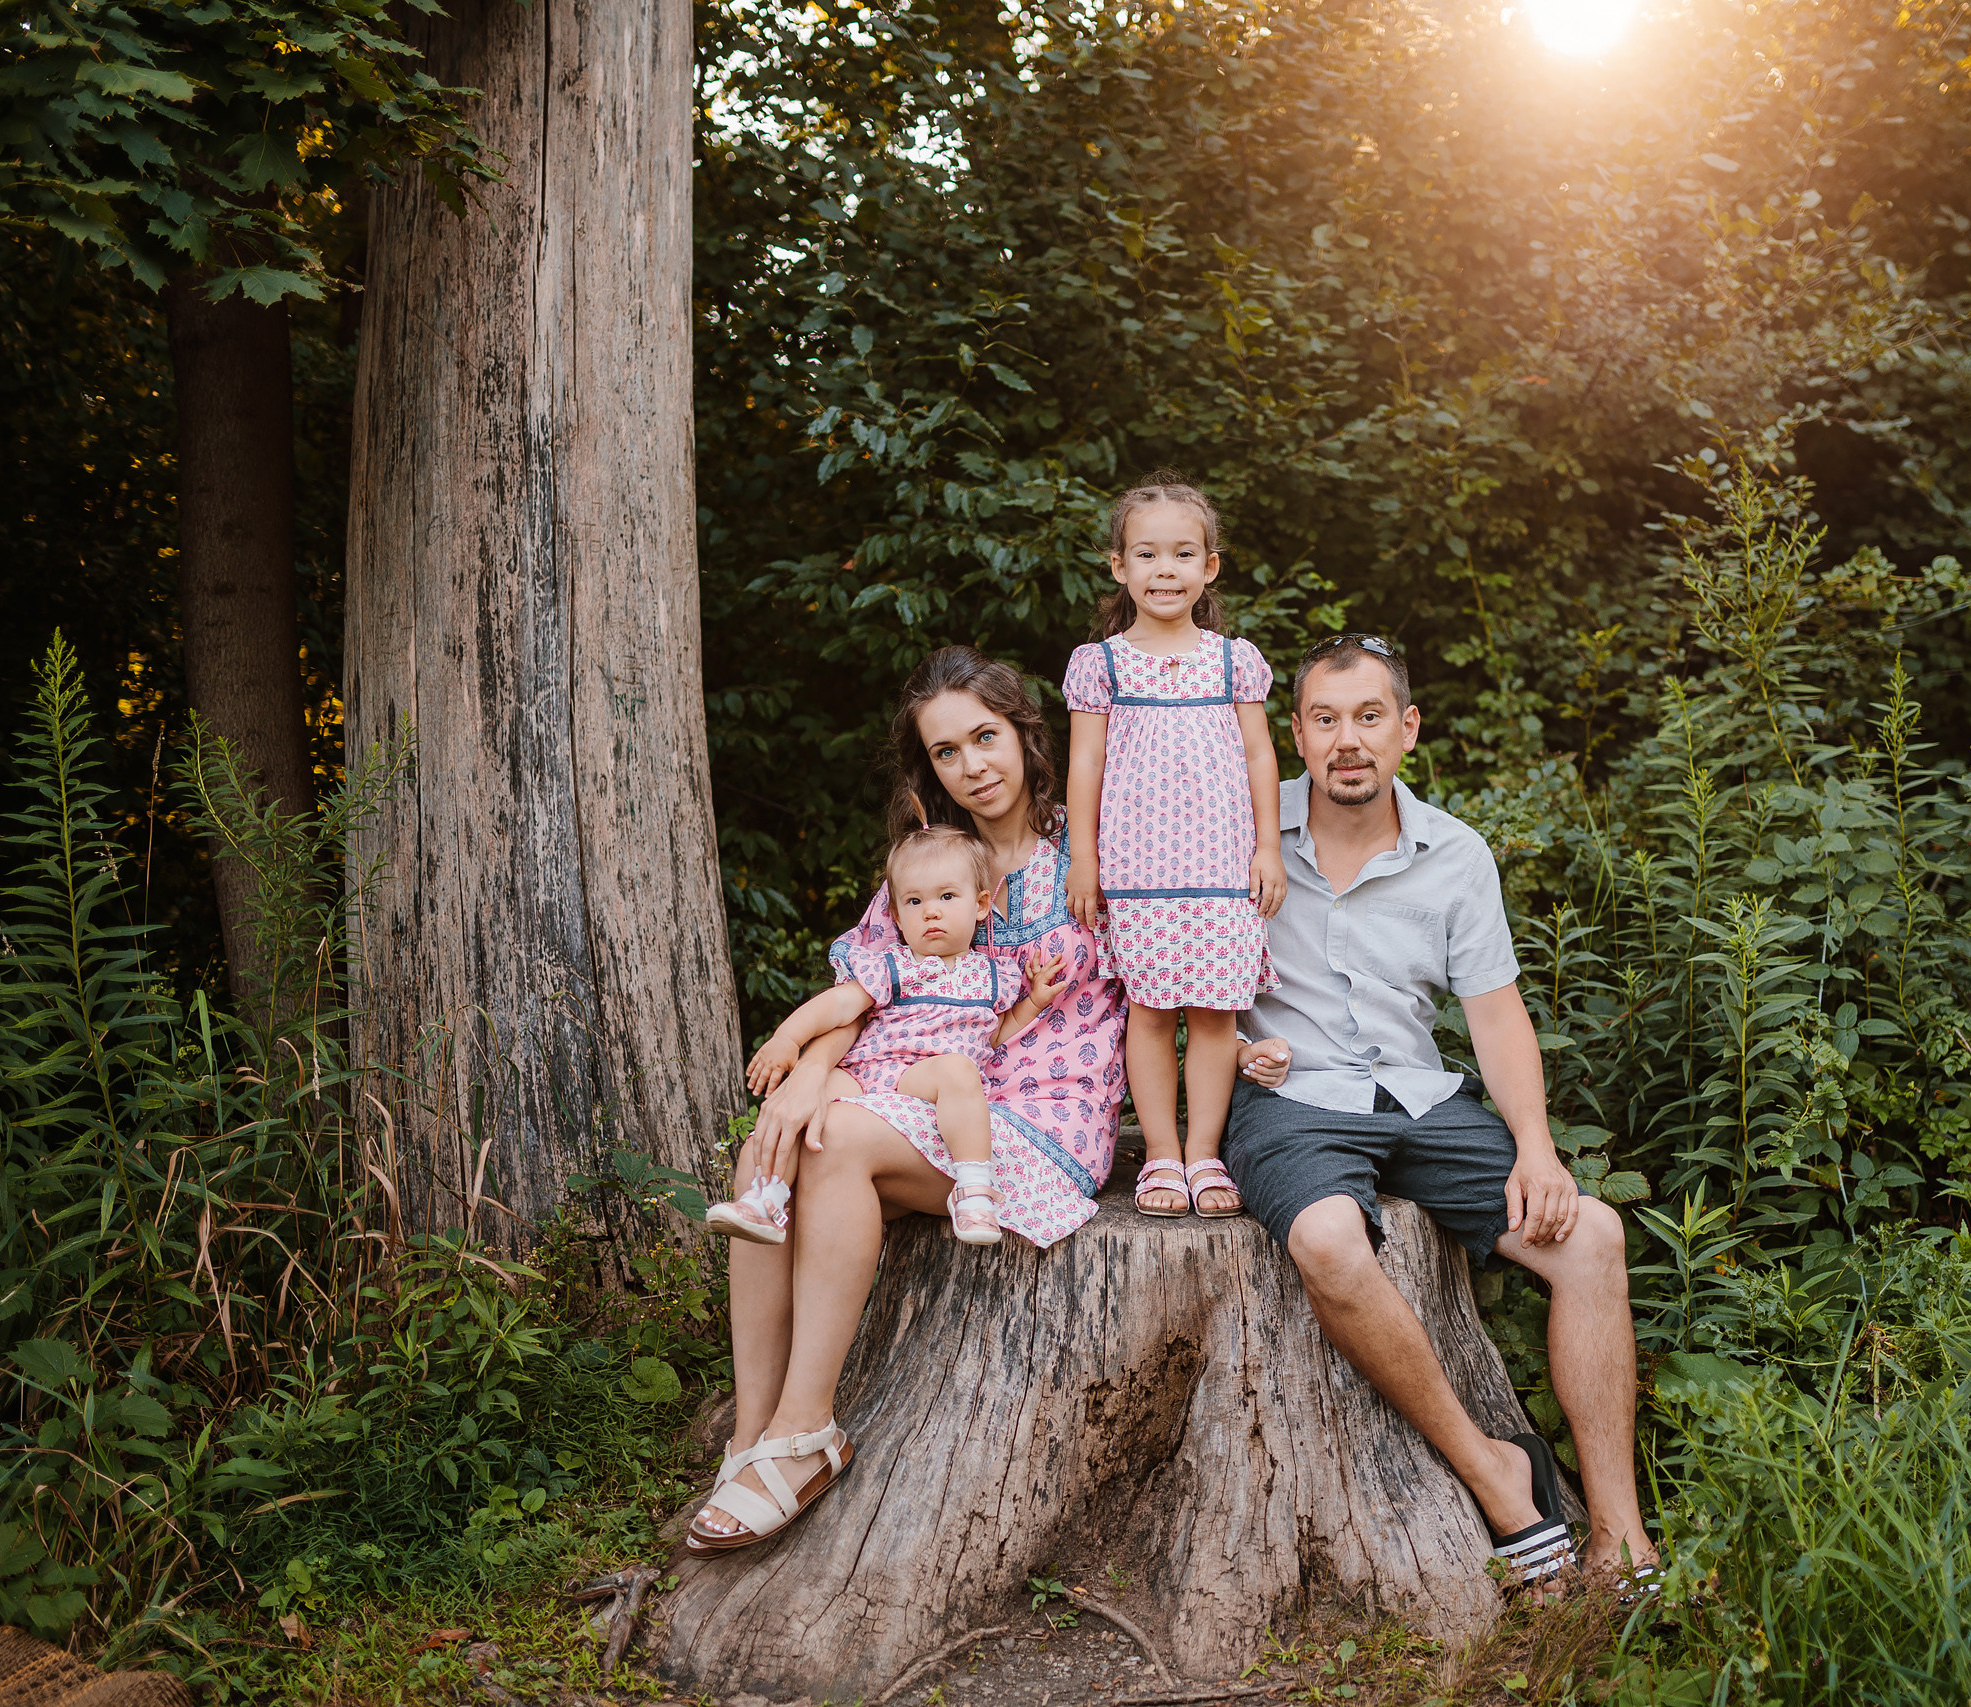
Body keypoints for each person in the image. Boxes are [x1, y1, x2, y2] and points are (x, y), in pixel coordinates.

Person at [1224, 633, 1661, 1602]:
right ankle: (1494, 1471)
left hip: (1417, 1096)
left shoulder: (1456, 855)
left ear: (1407, 730)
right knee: (1331, 1243)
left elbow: (1495, 1016)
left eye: (1369, 717)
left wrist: (1537, 1147)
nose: (1348, 741)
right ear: (1294, 733)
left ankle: (1620, 1543)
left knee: (1589, 1237)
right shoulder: (1244, 835)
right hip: (1289, 1101)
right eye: (1326, 719)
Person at [686, 647, 1125, 1553]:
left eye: (987, 736)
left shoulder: (1088, 852)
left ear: (1024, 732)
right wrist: (810, 1071)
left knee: (837, 1139)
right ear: (929, 769)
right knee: (780, 1137)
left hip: (1038, 1120)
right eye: (948, 752)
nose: (974, 765)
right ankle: (750, 1434)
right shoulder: (930, 867)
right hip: (914, 1092)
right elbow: (873, 993)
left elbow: (1166, 978)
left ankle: (808, 1429)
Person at [1063, 478, 1285, 1219]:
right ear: (1119, 566)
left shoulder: (1233, 662)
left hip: (1221, 869)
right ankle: (1160, 1151)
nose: (1166, 568)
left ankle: (1204, 1153)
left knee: (1217, 1014)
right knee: (1152, 1012)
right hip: (1136, 870)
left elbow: (1260, 757)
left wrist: (1268, 851)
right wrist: (1086, 860)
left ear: (1209, 567)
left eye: (1183, 553)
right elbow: (1085, 766)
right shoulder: (1102, 664)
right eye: (1148, 552)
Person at [703, 822, 1071, 1247]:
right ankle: (767, 1198)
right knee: (808, 1106)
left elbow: (995, 1034)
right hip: (869, 1070)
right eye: (914, 901)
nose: (931, 911)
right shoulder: (893, 966)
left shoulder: (994, 975)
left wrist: (1034, 1002)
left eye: (947, 897)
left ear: (981, 904)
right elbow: (840, 1004)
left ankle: (973, 1188)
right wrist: (788, 1038)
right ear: (896, 915)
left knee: (959, 1071)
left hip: (924, 1079)